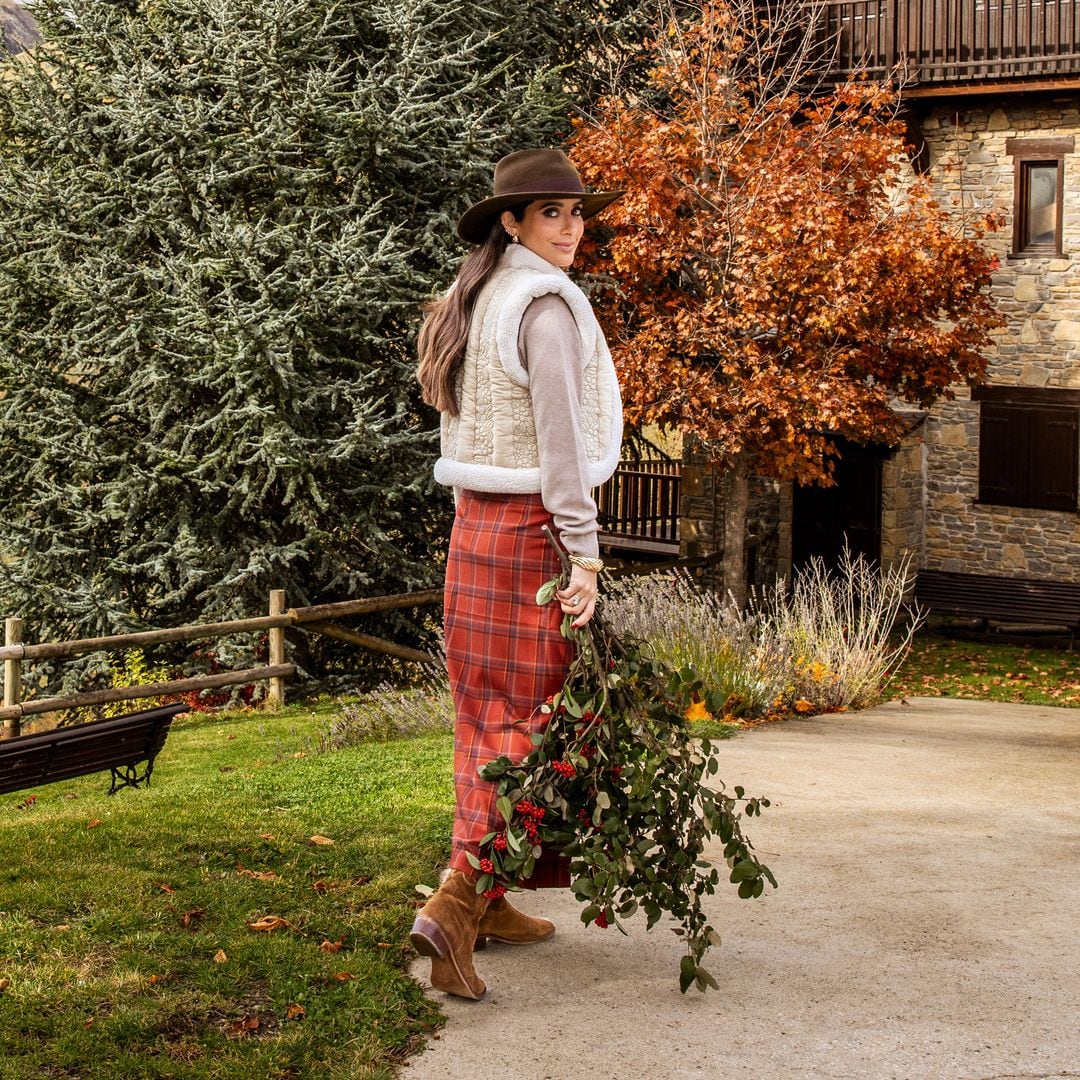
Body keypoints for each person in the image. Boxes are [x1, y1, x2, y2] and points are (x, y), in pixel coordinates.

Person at [411, 149, 624, 1000]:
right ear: (511, 222)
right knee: (534, 731)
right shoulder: (542, 308)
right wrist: (586, 551)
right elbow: (562, 447)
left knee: (484, 719)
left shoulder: (476, 299)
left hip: (474, 536)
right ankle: (457, 906)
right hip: (533, 534)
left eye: (578, 214)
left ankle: (490, 900)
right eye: (552, 215)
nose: (572, 230)